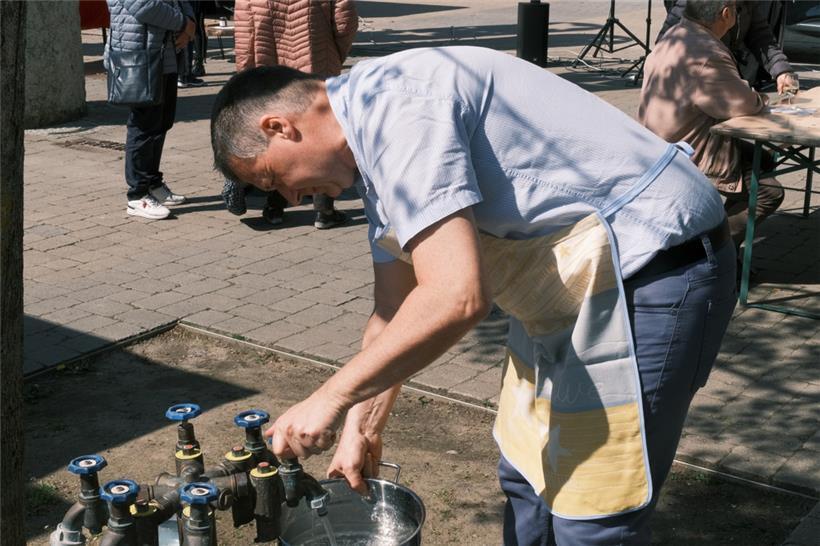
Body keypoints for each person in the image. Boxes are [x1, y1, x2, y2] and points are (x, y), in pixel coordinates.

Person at [210, 46, 737, 544]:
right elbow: (394, 308)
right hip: (570, 290)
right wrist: (361, 427)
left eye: (273, 178)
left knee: (595, 510)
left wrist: (329, 397)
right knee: (526, 473)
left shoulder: (399, 108)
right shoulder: (371, 140)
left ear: (279, 127)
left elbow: (456, 297)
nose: (292, 198)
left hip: (654, 266)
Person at [639, 0, 785, 248]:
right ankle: (709, 249)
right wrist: (761, 97)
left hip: (659, 141)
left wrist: (781, 70)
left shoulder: (675, 34)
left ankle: (716, 233)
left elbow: (761, 36)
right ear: (726, 14)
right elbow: (743, 103)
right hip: (687, 151)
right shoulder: (707, 53)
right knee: (769, 192)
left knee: (766, 157)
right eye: (736, 11)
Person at [224, 0, 358, 229]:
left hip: (268, 72)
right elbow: (345, 24)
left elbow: (245, 35)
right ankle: (324, 209)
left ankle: (274, 206)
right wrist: (335, 53)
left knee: (277, 138)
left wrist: (246, 75)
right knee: (319, 132)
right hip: (316, 61)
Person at [106, 0, 193, 220]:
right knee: (144, 126)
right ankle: (138, 194)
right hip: (139, 56)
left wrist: (189, 22)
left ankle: (153, 183)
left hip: (164, 54)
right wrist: (183, 23)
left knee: (161, 123)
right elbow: (143, 5)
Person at [658, 0, 799, 94]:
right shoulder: (691, 3)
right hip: (687, 89)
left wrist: (782, 71)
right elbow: (664, 47)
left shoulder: (747, 3)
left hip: (722, 78)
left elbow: (762, 38)